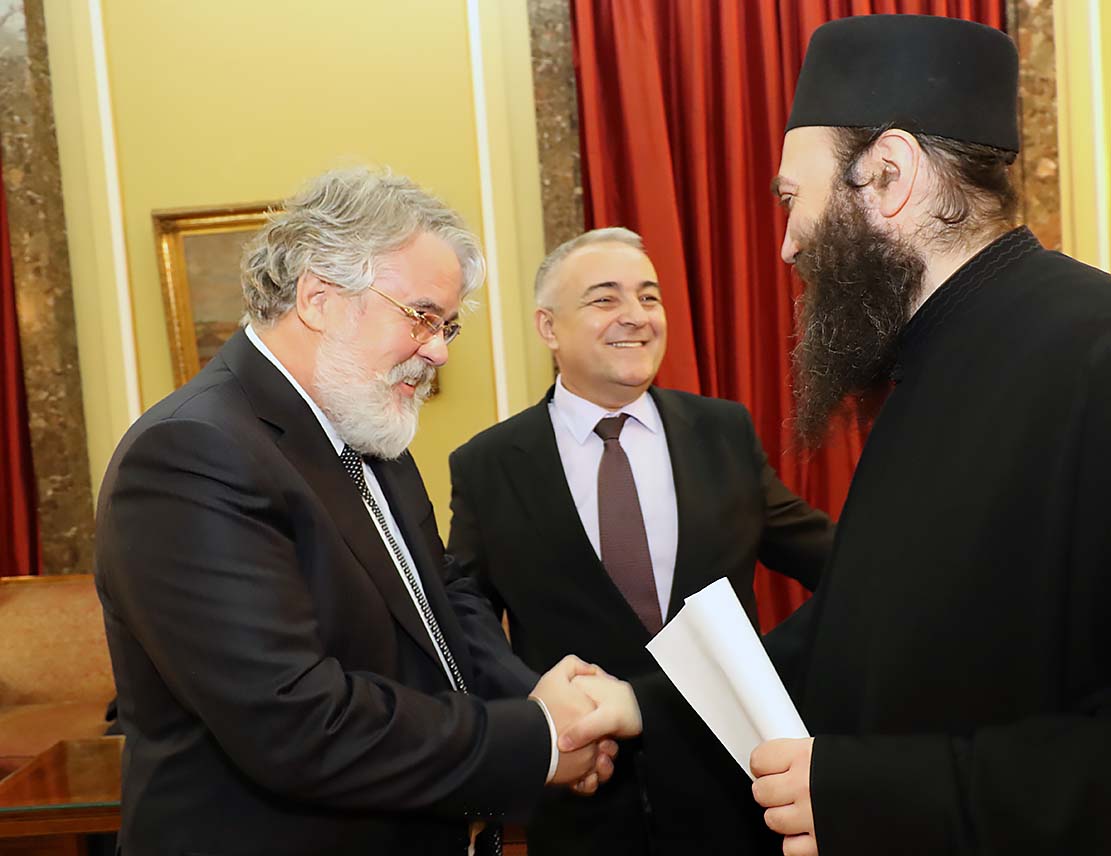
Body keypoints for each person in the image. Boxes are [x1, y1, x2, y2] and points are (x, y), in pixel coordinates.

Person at [94, 168, 641, 855]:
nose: (439, 350)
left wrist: (535, 698)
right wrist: (537, 739)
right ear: (319, 299)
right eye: (421, 316)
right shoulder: (190, 453)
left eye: (447, 325)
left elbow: (440, 600)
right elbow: (296, 722)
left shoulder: (364, 426)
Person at [748, 14, 1111, 856]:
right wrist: (642, 702)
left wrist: (873, 798)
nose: (788, 244)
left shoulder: (1094, 354)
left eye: (792, 198)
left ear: (887, 174)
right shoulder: (926, 364)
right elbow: (874, 625)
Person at [448, 227, 835, 855]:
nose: (635, 315)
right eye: (605, 298)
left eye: (649, 297)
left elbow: (836, 564)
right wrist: (538, 716)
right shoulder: (488, 465)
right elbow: (466, 618)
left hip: (733, 795)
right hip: (584, 807)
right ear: (548, 327)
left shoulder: (723, 432)